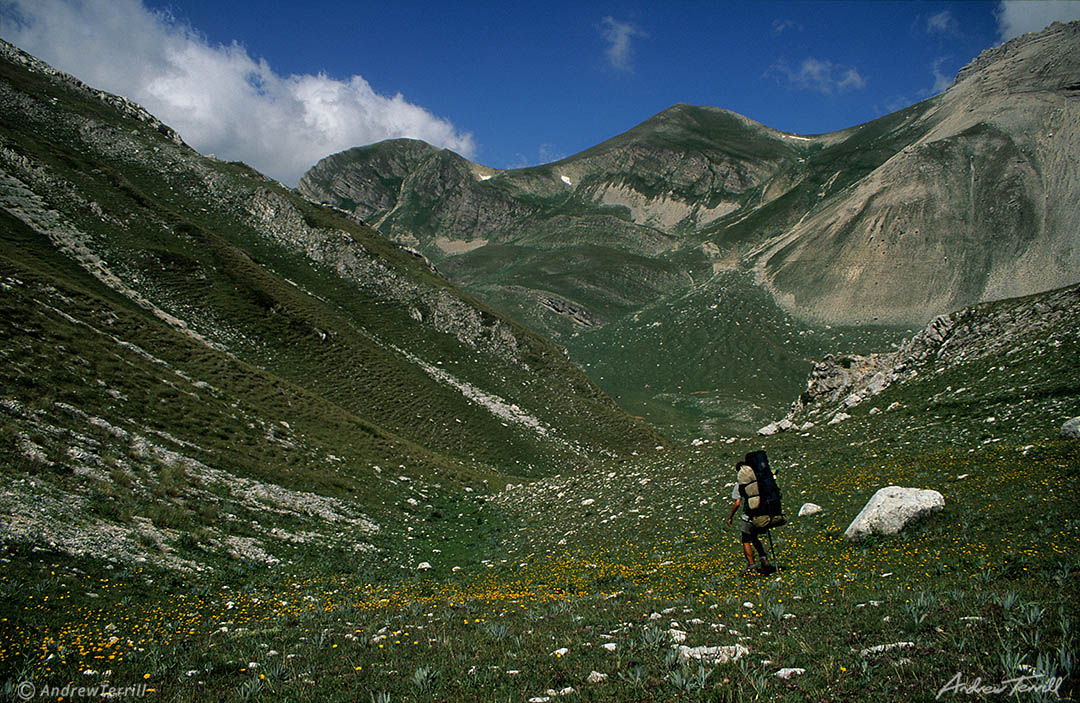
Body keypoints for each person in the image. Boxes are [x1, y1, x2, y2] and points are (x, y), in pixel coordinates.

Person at [727, 461, 775, 574]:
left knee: (746, 540)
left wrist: (730, 516)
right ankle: (764, 559)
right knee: (754, 538)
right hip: (762, 512)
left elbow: (737, 503)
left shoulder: (741, 483)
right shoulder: (757, 479)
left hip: (748, 515)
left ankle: (752, 566)